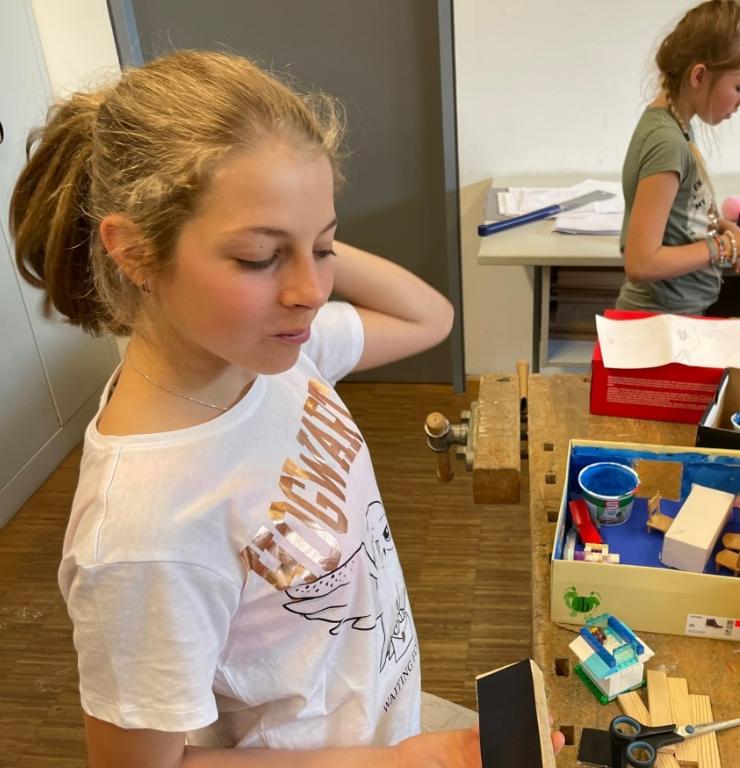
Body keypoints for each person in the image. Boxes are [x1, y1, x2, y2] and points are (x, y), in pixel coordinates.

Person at [10, 50, 562, 767]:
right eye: (257, 257)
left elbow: (429, 318)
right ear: (136, 251)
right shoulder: (143, 533)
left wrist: (290, 226)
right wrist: (401, 763)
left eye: (324, 247)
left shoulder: (271, 354)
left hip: (382, 725)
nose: (313, 291)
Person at [615, 0, 740, 315]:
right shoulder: (667, 142)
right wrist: (730, 246)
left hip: (673, 316)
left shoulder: (674, 123)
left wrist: (720, 228)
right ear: (699, 76)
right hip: (657, 320)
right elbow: (641, 262)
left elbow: (676, 220)